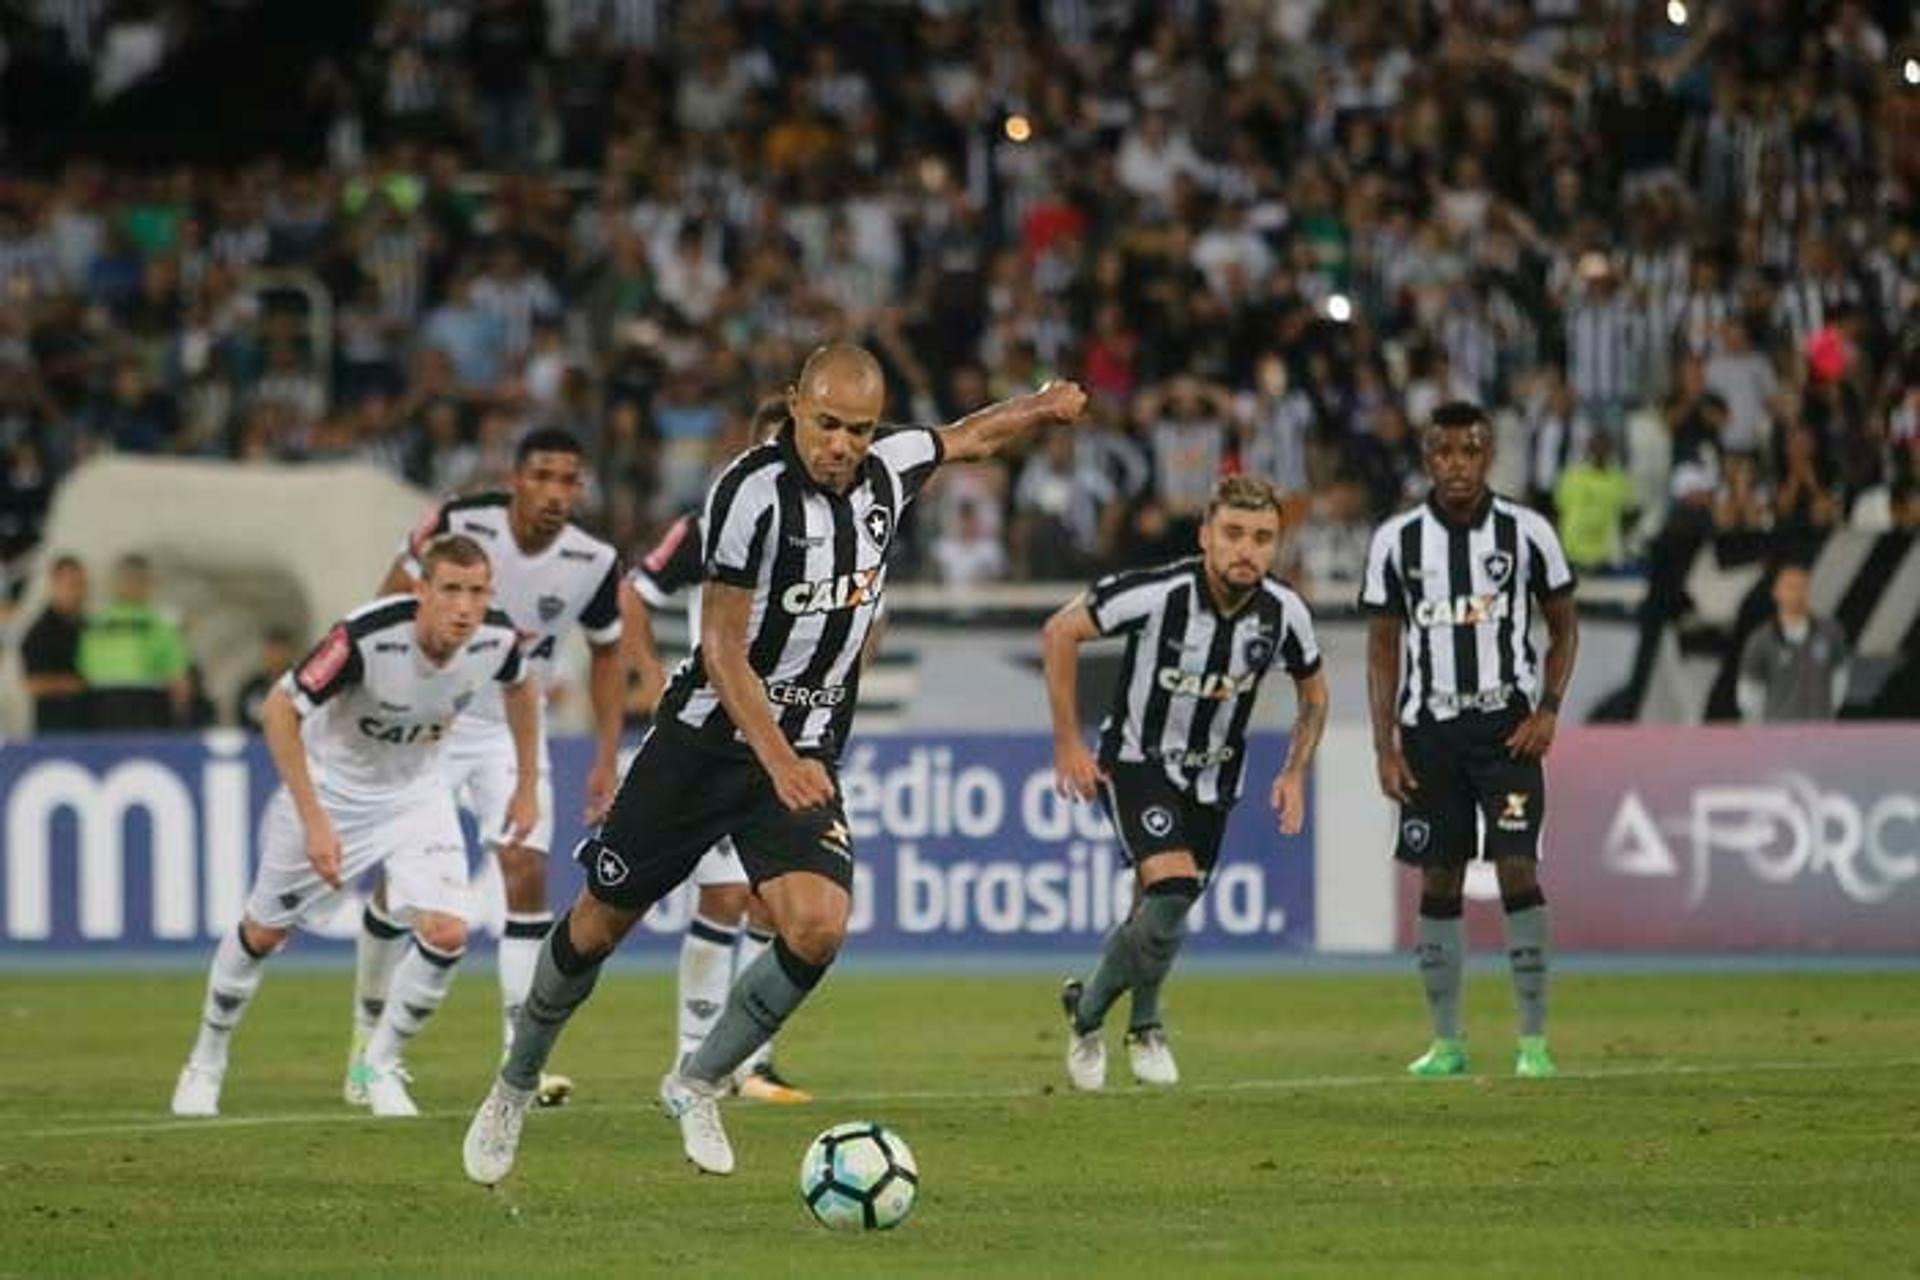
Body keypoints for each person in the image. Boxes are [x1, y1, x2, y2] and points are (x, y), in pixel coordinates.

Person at [463, 344, 1086, 1183]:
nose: (842, 445)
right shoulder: (749, 493)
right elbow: (720, 647)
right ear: (795, 406)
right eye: (827, 423)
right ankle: (513, 1083)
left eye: (859, 430)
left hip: (800, 750)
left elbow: (967, 437)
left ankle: (696, 1082)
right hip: (705, 742)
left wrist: (1042, 405)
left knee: (818, 927)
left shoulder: (888, 473)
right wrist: (779, 756)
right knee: (598, 924)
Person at [171, 535, 538, 1117]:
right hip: (332, 791)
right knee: (264, 932)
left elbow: (520, 688)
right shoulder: (366, 638)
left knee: (446, 933)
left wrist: (523, 785)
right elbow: (279, 709)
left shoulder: (496, 637)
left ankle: (378, 1064)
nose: (464, 607)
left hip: (417, 793)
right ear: (421, 590)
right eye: (450, 591)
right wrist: (316, 822)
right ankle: (206, 1058)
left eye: (476, 592)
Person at [350, 428, 623, 1109]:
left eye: (571, 480)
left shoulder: (593, 560)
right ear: (515, 477)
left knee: (526, 869)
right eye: (544, 476)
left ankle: (518, 1057)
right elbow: (385, 605)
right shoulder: (457, 523)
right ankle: (364, 1041)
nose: (557, 492)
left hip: (510, 729)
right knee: (400, 889)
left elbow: (611, 654)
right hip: (428, 724)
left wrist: (605, 756)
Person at [1044, 474, 1328, 1090]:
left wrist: (1295, 771)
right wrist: (1068, 742)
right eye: (1232, 534)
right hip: (1137, 761)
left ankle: (1088, 1008)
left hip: (1214, 777)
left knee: (1159, 913)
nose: (1246, 550)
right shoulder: (1158, 594)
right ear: (1204, 536)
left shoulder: (1284, 613)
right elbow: (1061, 630)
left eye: (1262, 538)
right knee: (1170, 890)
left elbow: (1314, 693)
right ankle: (1137, 1024)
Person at [1359, 401, 1579, 1080]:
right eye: (1444, 451)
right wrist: (1384, 745)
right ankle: (1447, 1041)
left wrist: (1546, 709)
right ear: (1428, 459)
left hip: (1504, 730)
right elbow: (1382, 647)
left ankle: (1534, 1042)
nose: (1457, 464)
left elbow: (1564, 628)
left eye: (1470, 450)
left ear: (1488, 457)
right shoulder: (1397, 541)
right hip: (1430, 734)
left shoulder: (1528, 533)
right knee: (1440, 874)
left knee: (1517, 867)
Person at [624, 499, 811, 1105]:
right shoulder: (712, 524)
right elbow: (634, 594)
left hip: (789, 732)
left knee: (769, 899)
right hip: (713, 731)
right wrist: (652, 681)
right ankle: (691, 1054)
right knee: (725, 892)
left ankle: (750, 1062)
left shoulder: (845, 526)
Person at [77, 553, 191, 730]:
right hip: (110, 701)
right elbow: (84, 666)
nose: (132, 585)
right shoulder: (97, 621)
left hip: (140, 700)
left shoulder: (160, 621)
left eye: (138, 579)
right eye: (128, 579)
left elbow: (177, 673)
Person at [1736, 563, 1849, 722]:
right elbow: (1748, 692)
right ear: (1776, 592)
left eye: (1802, 587)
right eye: (1790, 587)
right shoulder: (1761, 639)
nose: (1797, 593)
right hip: (1778, 731)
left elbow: (1839, 680)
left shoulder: (1830, 633)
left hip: (1820, 729)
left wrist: (1825, 712)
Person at [20, 555, 91, 733]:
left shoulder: (87, 626)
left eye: (80, 584)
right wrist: (71, 684)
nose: (77, 591)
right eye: (71, 584)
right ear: (55, 584)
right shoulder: (40, 631)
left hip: (87, 726)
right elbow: (33, 684)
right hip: (56, 729)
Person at [233, 627, 296, 732]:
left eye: (280, 650)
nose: (275, 656)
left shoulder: (301, 686)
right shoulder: (250, 688)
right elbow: (241, 723)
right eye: (271, 650)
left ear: (290, 653)